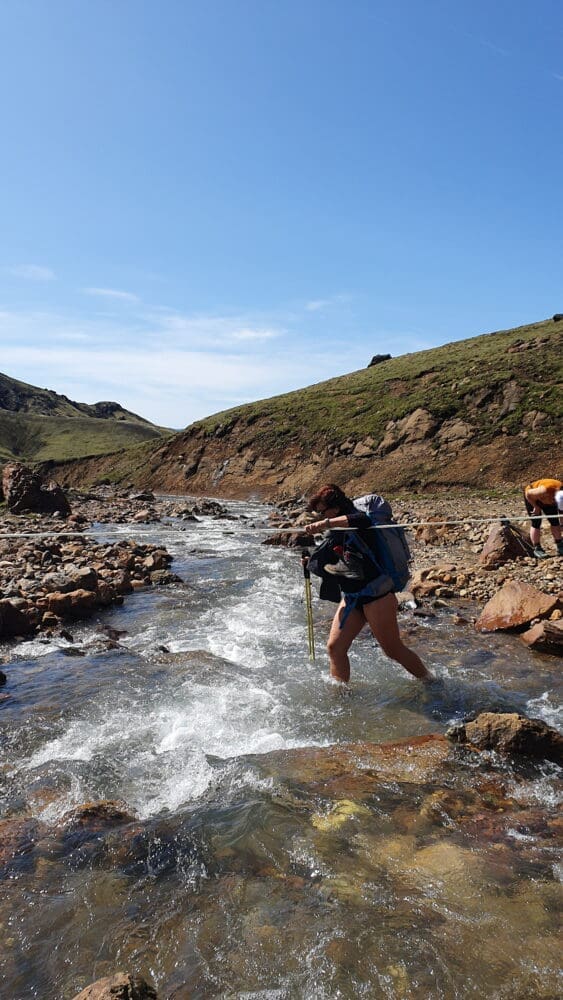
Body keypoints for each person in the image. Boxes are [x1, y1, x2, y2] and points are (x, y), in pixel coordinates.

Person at [304, 483, 433, 685]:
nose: (320, 516)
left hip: (377, 596)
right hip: (353, 597)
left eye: (322, 511)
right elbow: (331, 560)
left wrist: (325, 523)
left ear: (335, 509)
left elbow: (360, 520)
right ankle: (342, 695)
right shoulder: (336, 532)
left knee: (393, 650)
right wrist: (309, 561)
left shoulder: (360, 522)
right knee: (335, 648)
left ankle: (431, 682)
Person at [523, 478, 563, 558]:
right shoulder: (546, 489)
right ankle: (537, 548)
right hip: (532, 498)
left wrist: (562, 525)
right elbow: (528, 494)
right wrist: (536, 507)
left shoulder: (560, 496)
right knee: (536, 522)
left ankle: (560, 545)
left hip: (547, 499)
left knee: (554, 521)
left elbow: (561, 513)